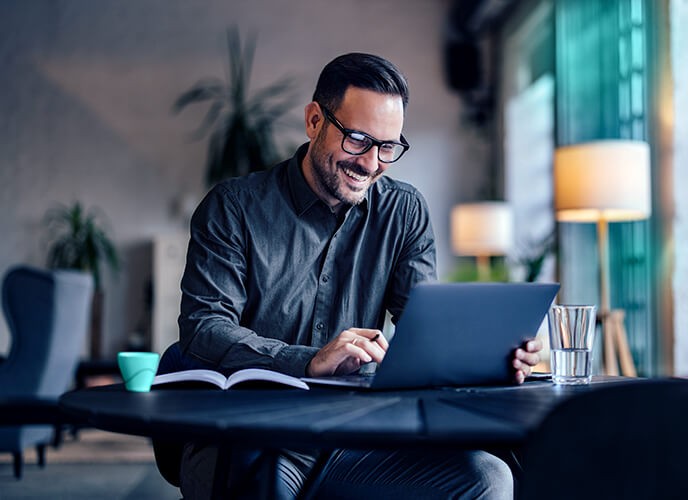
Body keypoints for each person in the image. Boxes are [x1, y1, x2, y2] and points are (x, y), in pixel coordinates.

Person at [177, 52, 543, 499]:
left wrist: (492, 360)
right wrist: (307, 360)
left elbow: (423, 334)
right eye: (357, 139)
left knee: (488, 477)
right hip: (252, 434)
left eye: (387, 147)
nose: (371, 163)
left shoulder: (403, 212)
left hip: (356, 436)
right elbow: (204, 328)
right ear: (314, 121)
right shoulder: (233, 207)